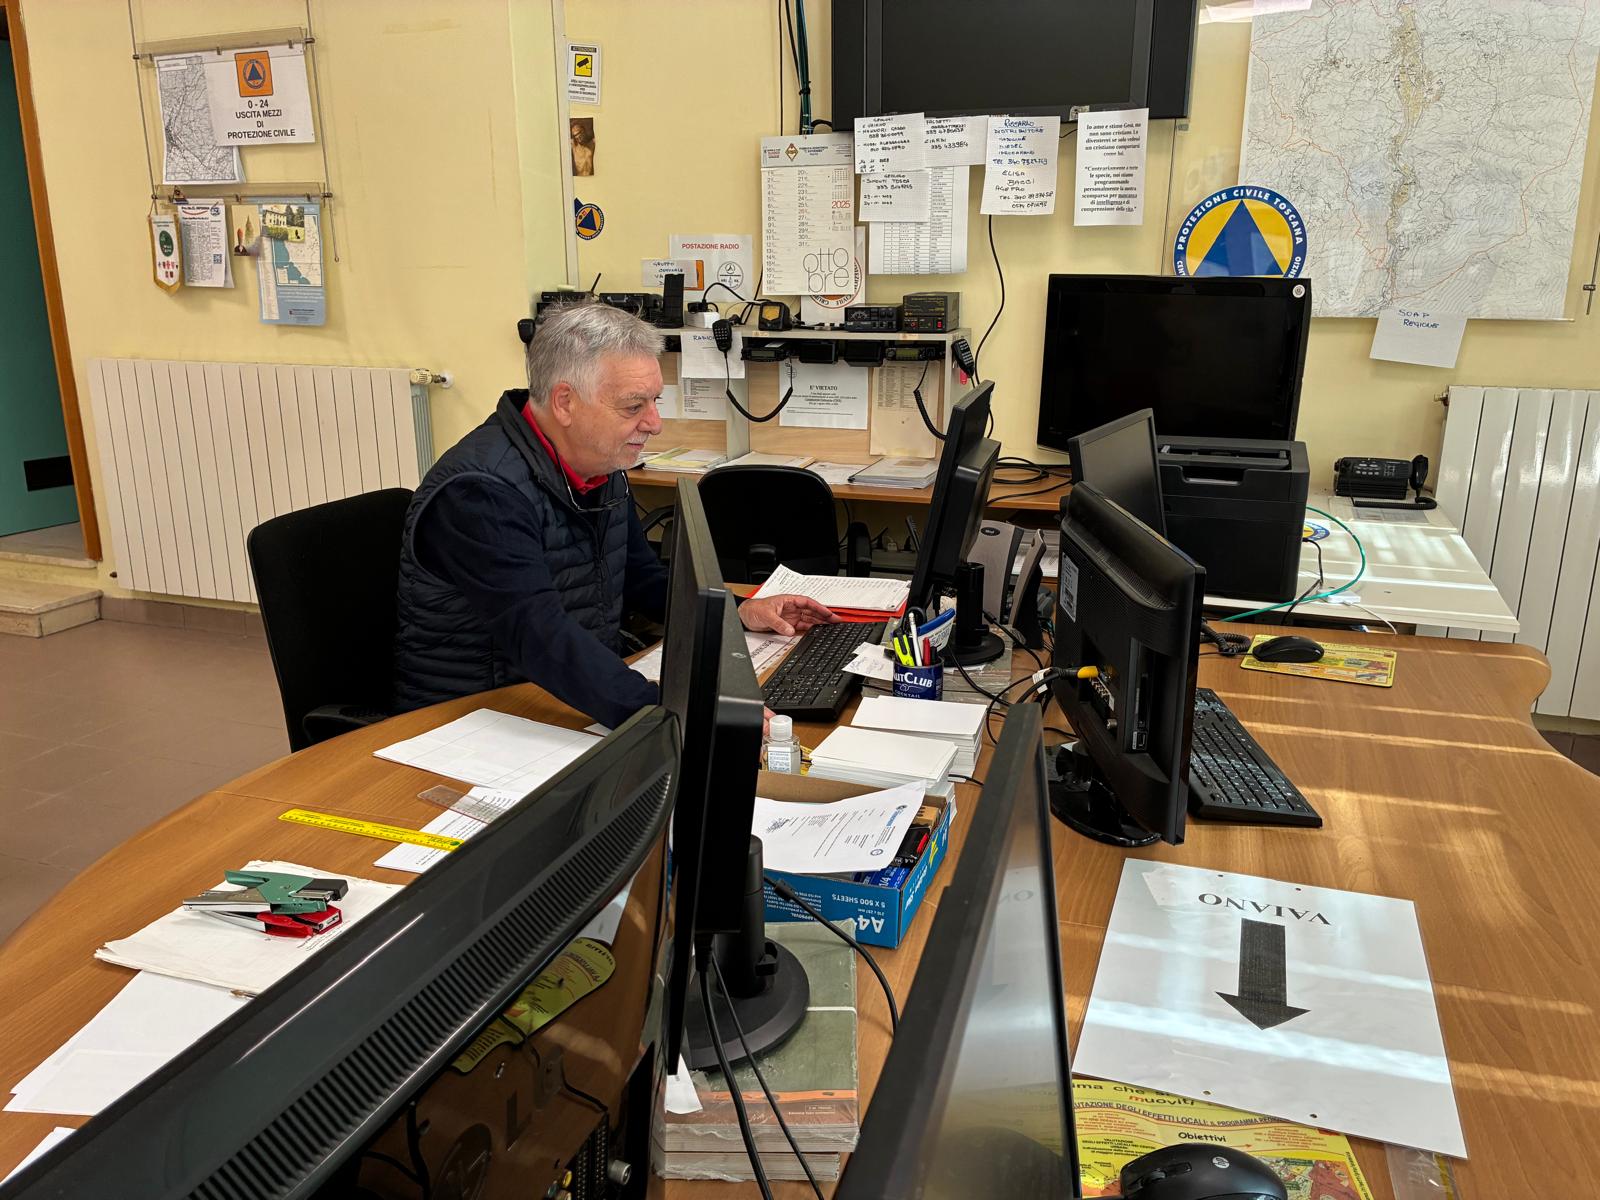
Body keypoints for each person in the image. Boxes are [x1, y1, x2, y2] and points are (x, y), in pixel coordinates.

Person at [392, 301, 835, 728]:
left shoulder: (599, 464)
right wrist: (671, 711)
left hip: (560, 694)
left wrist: (739, 613)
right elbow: (539, 635)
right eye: (633, 406)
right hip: (472, 718)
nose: (655, 423)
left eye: (655, 401)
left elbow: (642, 580)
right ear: (565, 402)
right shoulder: (481, 491)